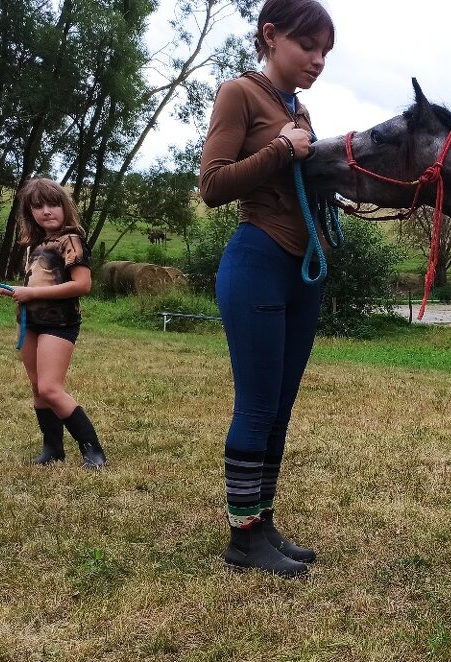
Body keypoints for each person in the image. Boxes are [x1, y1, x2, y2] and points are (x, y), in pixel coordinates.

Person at [199, 0, 335, 577]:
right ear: (271, 35)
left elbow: (302, 178)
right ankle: (243, 537)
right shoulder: (239, 93)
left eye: (326, 52)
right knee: (256, 404)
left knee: (280, 406)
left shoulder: (297, 107)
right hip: (256, 259)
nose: (318, 60)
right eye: (309, 46)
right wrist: (282, 149)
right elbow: (211, 185)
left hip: (301, 271)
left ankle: (263, 520)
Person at [0, 178, 106, 468]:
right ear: (29, 212)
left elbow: (82, 285)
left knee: (51, 388)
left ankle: (93, 449)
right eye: (37, 207)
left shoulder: (71, 240)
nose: (46, 211)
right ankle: (53, 448)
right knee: (38, 388)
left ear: (65, 207)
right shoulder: (34, 244)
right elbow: (35, 282)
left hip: (59, 324)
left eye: (52, 204)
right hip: (30, 323)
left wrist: (32, 293)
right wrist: (8, 289)